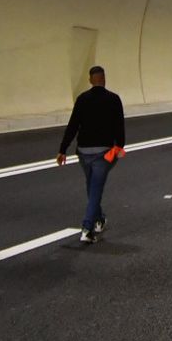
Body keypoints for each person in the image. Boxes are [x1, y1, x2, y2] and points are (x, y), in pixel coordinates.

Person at [56, 65, 125, 244]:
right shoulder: (114, 99)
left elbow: (73, 126)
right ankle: (87, 228)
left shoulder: (82, 99)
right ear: (104, 79)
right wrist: (120, 146)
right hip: (104, 152)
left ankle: (99, 219)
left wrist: (62, 149)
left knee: (92, 186)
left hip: (84, 152)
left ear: (90, 80)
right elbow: (119, 126)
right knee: (95, 188)